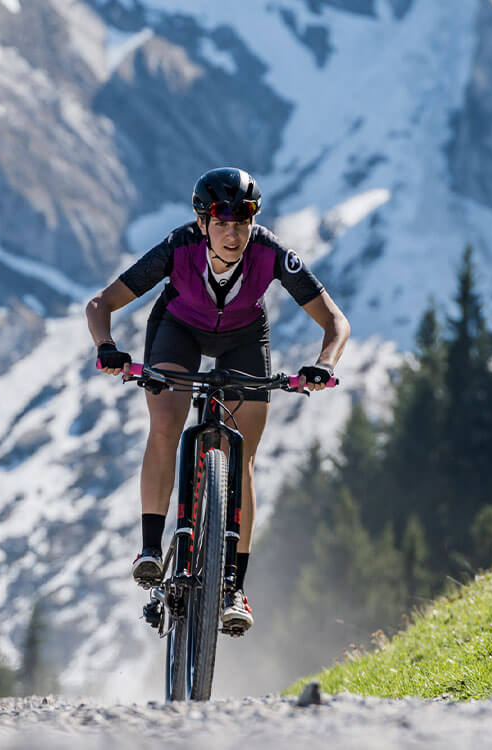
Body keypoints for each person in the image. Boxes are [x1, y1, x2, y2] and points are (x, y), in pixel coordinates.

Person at [83, 167, 350, 637]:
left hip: (243, 338)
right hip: (178, 330)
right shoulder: (177, 247)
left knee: (242, 456)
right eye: (221, 221)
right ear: (203, 222)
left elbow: (336, 323)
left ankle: (233, 588)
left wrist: (324, 364)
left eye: (243, 220)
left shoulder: (269, 253)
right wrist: (107, 347)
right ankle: (150, 549)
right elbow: (99, 305)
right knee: (166, 422)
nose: (233, 232)